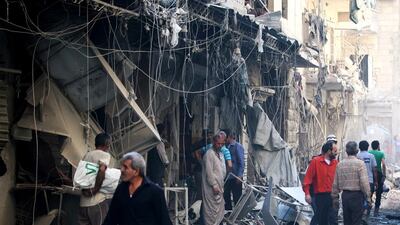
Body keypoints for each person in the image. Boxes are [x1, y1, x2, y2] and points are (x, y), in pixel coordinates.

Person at [103, 152, 172, 225]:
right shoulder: (121, 189)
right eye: (122, 166)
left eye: (125, 167)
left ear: (136, 171)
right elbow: (110, 218)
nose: (121, 170)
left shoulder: (155, 192)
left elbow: (164, 221)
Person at [332, 141, 371, 225]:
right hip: (357, 196)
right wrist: (368, 198)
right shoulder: (360, 164)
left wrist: (334, 198)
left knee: (347, 220)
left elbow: (335, 183)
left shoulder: (340, 164)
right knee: (356, 220)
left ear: (346, 151)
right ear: (357, 151)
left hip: (345, 196)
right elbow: (364, 183)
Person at [79, 133, 113, 225]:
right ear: (106, 143)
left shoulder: (87, 155)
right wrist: (95, 189)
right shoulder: (104, 155)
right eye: (110, 143)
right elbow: (102, 169)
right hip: (97, 203)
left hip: (83, 204)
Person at [303, 141, 338, 225]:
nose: (336, 153)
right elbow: (307, 179)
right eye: (335, 151)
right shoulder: (315, 162)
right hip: (320, 196)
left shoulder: (336, 163)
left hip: (333, 196)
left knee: (333, 219)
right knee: (321, 218)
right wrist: (307, 194)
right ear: (329, 151)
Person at [202, 134, 226, 225]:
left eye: (221, 144)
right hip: (211, 188)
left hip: (220, 187)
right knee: (210, 212)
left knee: (219, 212)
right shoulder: (209, 154)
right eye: (218, 143)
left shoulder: (220, 154)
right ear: (214, 142)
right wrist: (214, 185)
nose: (220, 146)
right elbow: (209, 172)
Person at [224, 130, 245, 210]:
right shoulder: (227, 146)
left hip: (236, 176)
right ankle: (228, 212)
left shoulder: (237, 146)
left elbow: (241, 163)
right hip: (229, 176)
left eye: (227, 137)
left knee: (237, 196)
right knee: (226, 195)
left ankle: (237, 215)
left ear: (230, 137)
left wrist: (239, 175)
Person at [357, 140, 377, 216]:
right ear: (368, 147)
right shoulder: (371, 156)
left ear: (359, 147)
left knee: (360, 199)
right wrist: (376, 181)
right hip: (370, 181)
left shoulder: (357, 156)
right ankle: (366, 216)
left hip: (359, 182)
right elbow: (374, 170)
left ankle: (361, 214)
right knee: (369, 198)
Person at [369, 140, 386, 216]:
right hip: (378, 173)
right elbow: (384, 164)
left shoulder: (369, 152)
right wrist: (384, 175)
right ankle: (376, 210)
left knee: (369, 191)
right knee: (379, 192)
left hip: (370, 173)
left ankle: (368, 208)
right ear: (378, 145)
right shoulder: (381, 153)